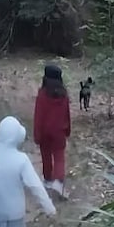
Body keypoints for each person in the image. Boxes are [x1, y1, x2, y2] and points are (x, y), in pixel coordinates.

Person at [33, 64, 72, 198]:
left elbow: (38, 116)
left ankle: (48, 179)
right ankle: (58, 181)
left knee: (46, 156)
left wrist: (37, 134)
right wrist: (67, 129)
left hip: (44, 131)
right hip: (59, 131)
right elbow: (67, 114)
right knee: (59, 157)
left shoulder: (42, 95)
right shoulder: (64, 96)